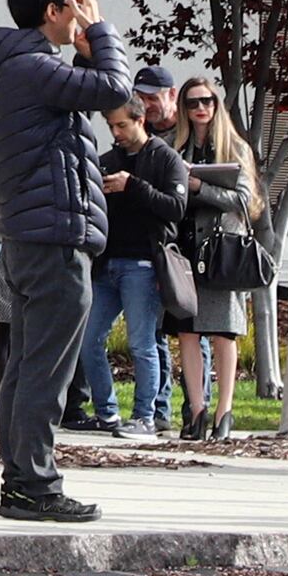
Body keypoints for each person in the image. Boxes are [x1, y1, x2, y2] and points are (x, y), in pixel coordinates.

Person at [0, 0, 126, 523]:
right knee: (45, 369)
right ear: (53, 11)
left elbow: (84, 94)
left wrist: (86, 45)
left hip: (32, 235)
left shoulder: (20, 67)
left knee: (27, 363)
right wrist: (104, 30)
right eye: (75, 6)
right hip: (54, 238)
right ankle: (34, 485)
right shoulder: (33, 67)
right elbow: (113, 90)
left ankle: (22, 481)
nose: (81, 15)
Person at [165, 77, 257, 438]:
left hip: (221, 251)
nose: (200, 108)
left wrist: (200, 187)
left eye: (207, 101)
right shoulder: (174, 146)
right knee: (187, 332)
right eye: (191, 102)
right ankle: (197, 410)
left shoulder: (235, 147)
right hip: (184, 248)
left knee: (223, 333)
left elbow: (244, 201)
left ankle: (224, 412)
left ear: (217, 105)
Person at [93, 89, 187, 440]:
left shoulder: (165, 159)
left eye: (121, 125)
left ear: (140, 119)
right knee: (90, 340)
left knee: (142, 343)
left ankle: (146, 415)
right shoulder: (106, 160)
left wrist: (132, 185)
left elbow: (175, 209)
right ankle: (107, 413)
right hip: (107, 264)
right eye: (110, 126)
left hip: (144, 263)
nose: (116, 133)